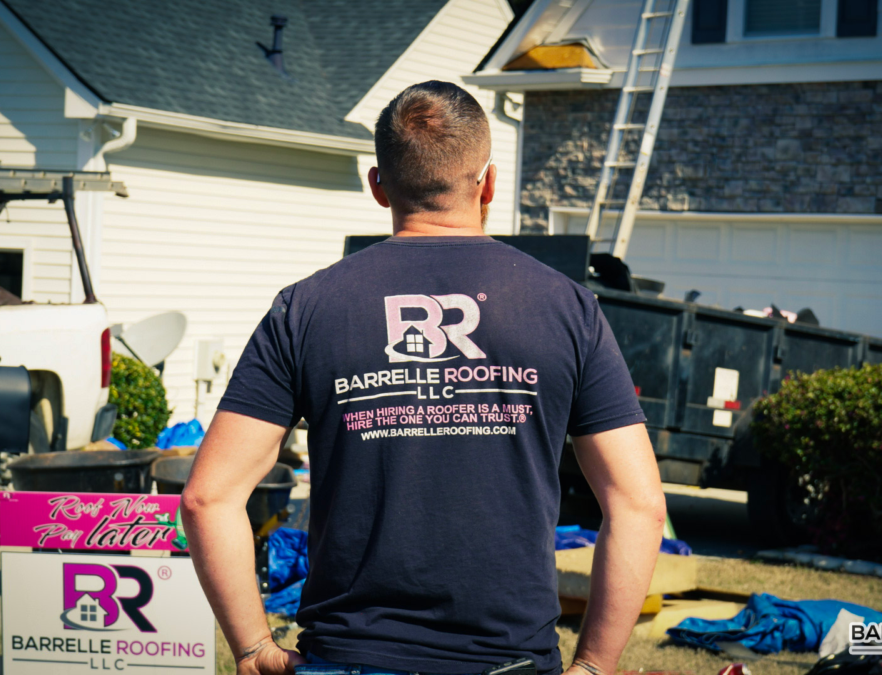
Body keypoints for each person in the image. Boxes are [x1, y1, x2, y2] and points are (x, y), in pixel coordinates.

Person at [181, 81, 667, 675]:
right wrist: (594, 664)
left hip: (350, 659)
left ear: (378, 186)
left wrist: (255, 648)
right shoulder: (567, 307)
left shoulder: (306, 308)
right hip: (509, 662)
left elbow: (209, 497)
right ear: (488, 183)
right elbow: (638, 503)